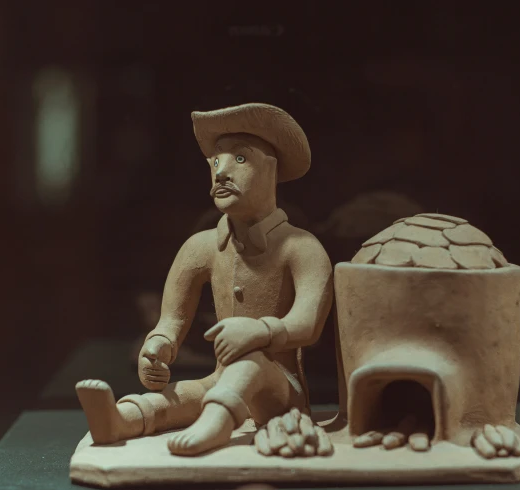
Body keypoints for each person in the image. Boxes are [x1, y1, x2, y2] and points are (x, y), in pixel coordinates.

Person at [76, 103, 333, 456]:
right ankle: (121, 419)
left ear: (270, 169)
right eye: (215, 161)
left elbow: (309, 322)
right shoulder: (200, 247)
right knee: (182, 394)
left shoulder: (303, 248)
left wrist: (261, 332)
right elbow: (172, 319)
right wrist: (159, 346)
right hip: (220, 379)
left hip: (280, 392)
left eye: (240, 159)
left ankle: (214, 426)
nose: (222, 172)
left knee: (251, 362)